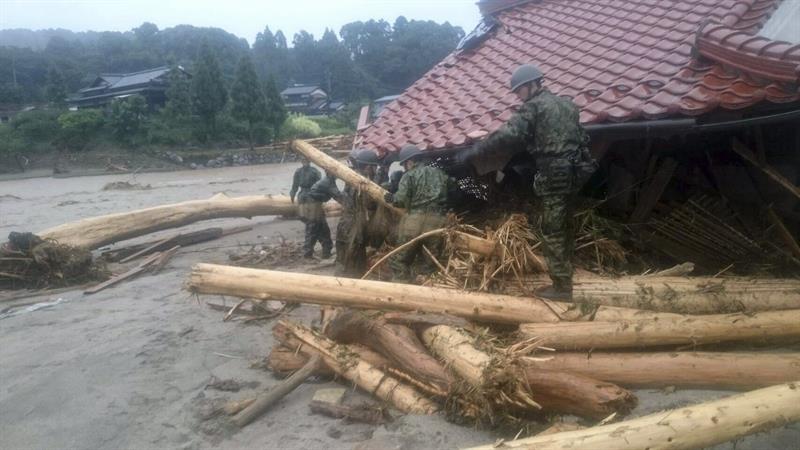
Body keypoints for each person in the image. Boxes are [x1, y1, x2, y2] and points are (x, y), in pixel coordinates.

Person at [463, 63, 596, 300]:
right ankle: (565, 277)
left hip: (554, 174)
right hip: (575, 172)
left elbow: (510, 134)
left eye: (519, 91)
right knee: (565, 227)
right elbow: (581, 137)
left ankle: (562, 288)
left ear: (531, 85)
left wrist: (480, 147)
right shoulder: (568, 105)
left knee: (552, 230)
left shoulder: (533, 107)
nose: (518, 96)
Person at [384, 144, 450, 282]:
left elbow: (400, 201)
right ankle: (427, 290)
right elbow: (453, 192)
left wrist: (392, 198)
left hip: (415, 221)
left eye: (404, 165)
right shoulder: (440, 174)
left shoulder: (409, 176)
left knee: (399, 259)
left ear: (409, 162)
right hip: (437, 221)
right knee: (431, 263)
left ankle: (403, 290)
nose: (404, 168)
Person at [334, 148, 379, 277]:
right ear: (368, 167)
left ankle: (339, 281)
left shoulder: (350, 177)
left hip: (344, 222)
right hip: (354, 224)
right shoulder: (362, 182)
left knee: (342, 254)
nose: (375, 170)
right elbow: (369, 205)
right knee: (355, 255)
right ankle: (353, 284)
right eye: (374, 167)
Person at [304, 170, 339, 259]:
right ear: (330, 173)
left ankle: (326, 253)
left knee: (323, 230)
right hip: (313, 206)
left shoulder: (329, 180)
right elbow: (338, 195)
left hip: (315, 205)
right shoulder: (328, 182)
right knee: (313, 230)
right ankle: (308, 254)